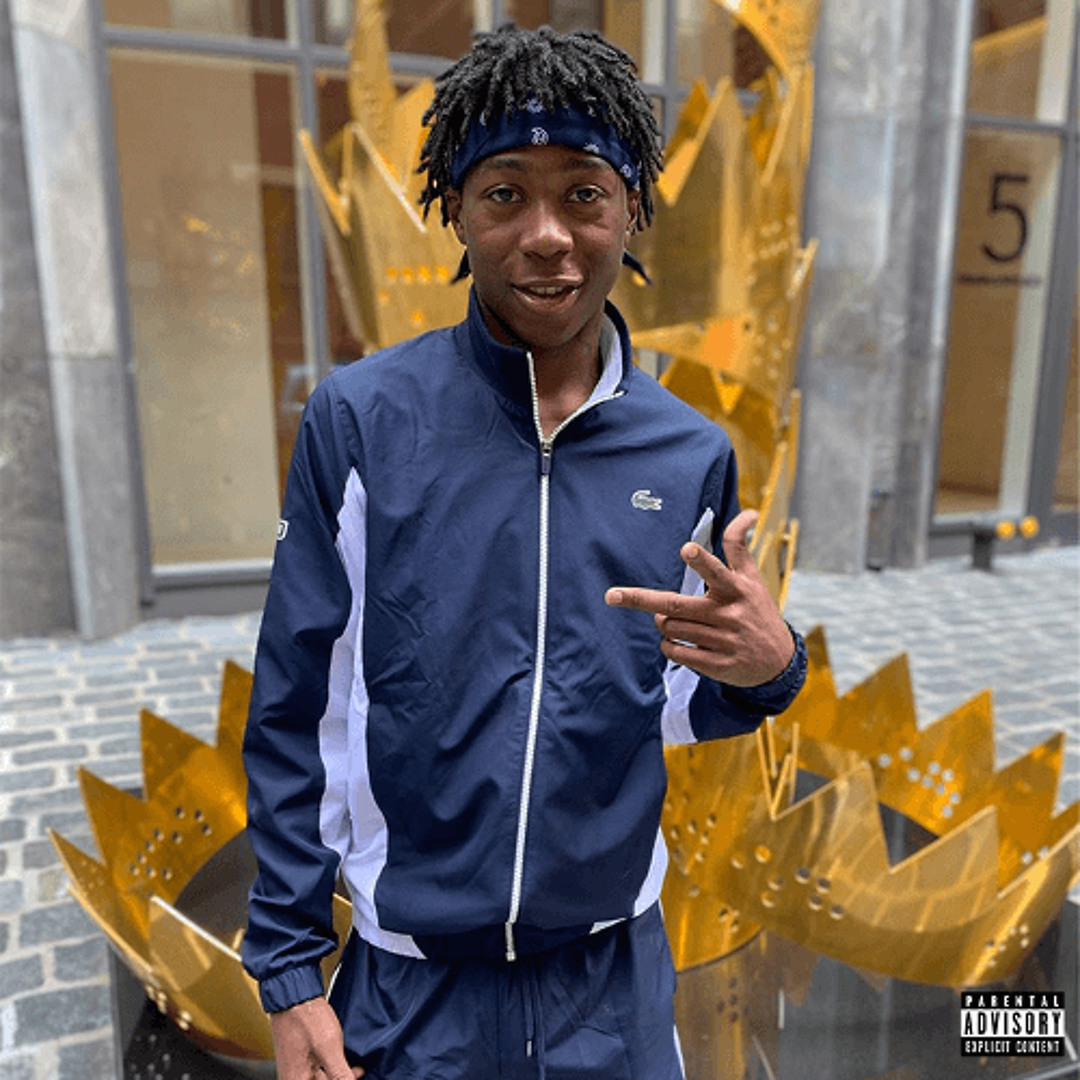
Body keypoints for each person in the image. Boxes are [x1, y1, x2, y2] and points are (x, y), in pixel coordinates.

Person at [242, 23, 807, 1080]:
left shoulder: (689, 452)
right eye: (505, 193)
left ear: (631, 207)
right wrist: (288, 969)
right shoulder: (360, 421)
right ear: (456, 209)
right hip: (409, 988)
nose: (547, 235)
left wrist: (768, 671)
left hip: (610, 984)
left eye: (583, 193)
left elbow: (666, 695)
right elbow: (297, 704)